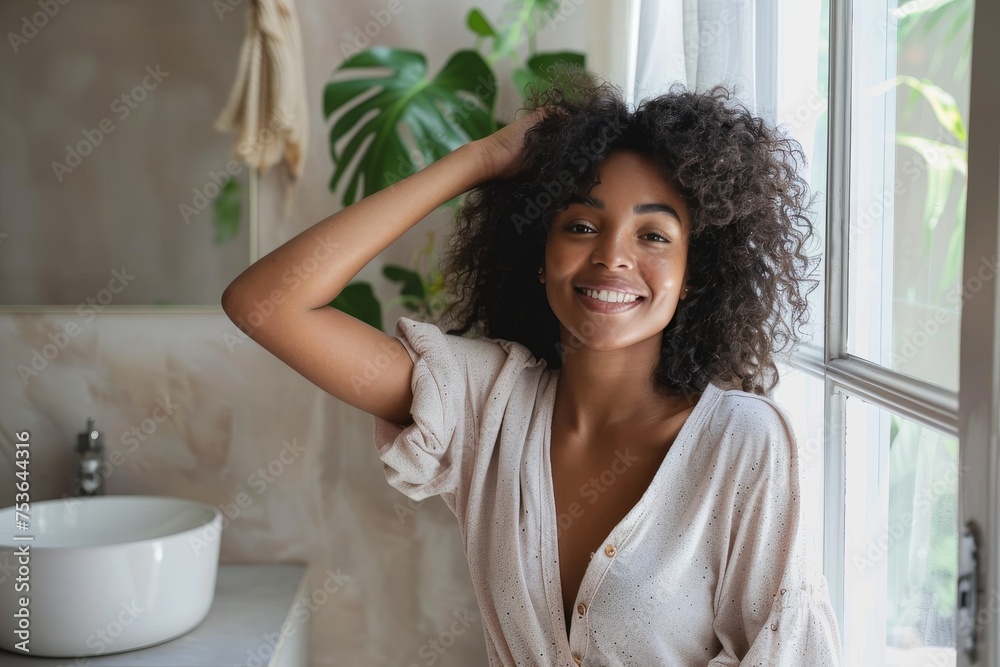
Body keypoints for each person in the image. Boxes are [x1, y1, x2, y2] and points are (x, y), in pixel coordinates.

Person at [222, 71, 843, 665]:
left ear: (692, 278)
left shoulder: (742, 445)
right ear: (539, 256)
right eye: (580, 224)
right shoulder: (486, 404)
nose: (612, 257)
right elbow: (265, 306)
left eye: (653, 236)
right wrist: (480, 161)